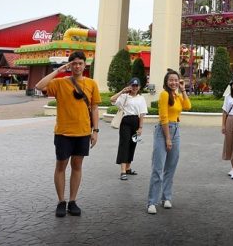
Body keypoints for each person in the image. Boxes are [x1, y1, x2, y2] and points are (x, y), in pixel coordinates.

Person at [34, 51, 100, 218]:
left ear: (85, 65)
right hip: (63, 132)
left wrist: (96, 131)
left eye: (80, 63)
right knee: (61, 166)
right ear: (70, 65)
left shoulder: (92, 84)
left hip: (83, 132)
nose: (77, 66)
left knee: (77, 166)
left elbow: (94, 108)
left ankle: (72, 201)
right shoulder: (60, 83)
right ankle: (61, 201)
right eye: (74, 63)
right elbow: (39, 86)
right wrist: (58, 70)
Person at [147, 69, 191, 214]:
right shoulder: (164, 94)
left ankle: (166, 198)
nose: (174, 82)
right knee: (158, 168)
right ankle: (152, 202)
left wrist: (183, 90)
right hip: (163, 131)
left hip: (176, 130)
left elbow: (187, 106)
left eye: (176, 80)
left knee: (170, 168)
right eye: (171, 80)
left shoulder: (177, 95)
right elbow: (163, 117)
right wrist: (167, 138)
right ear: (166, 82)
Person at [111, 78, 148, 181]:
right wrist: (122, 91)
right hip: (126, 122)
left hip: (136, 122)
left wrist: (140, 127)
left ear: (139, 87)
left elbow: (142, 114)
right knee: (124, 145)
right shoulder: (124, 96)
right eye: (133, 85)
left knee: (132, 144)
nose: (135, 87)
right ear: (129, 86)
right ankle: (123, 171)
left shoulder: (141, 98)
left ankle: (128, 168)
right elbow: (112, 100)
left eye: (137, 86)